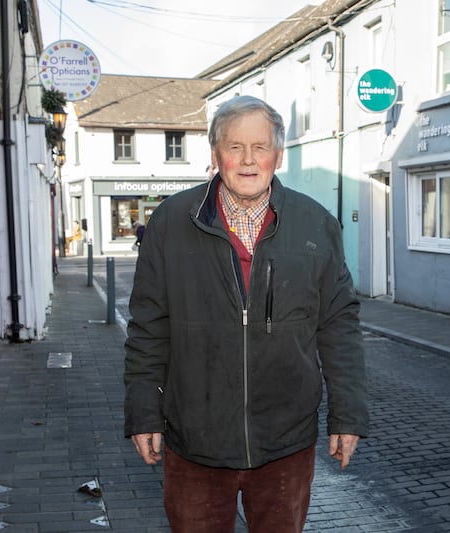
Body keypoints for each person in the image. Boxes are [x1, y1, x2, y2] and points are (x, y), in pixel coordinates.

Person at [124, 95, 369, 532]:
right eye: (235, 147)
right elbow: (148, 327)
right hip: (195, 442)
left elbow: (338, 326)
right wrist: (143, 411)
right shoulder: (171, 221)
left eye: (260, 147)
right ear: (216, 153)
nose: (249, 159)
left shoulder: (315, 224)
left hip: (285, 444)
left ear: (278, 153)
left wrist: (347, 414)